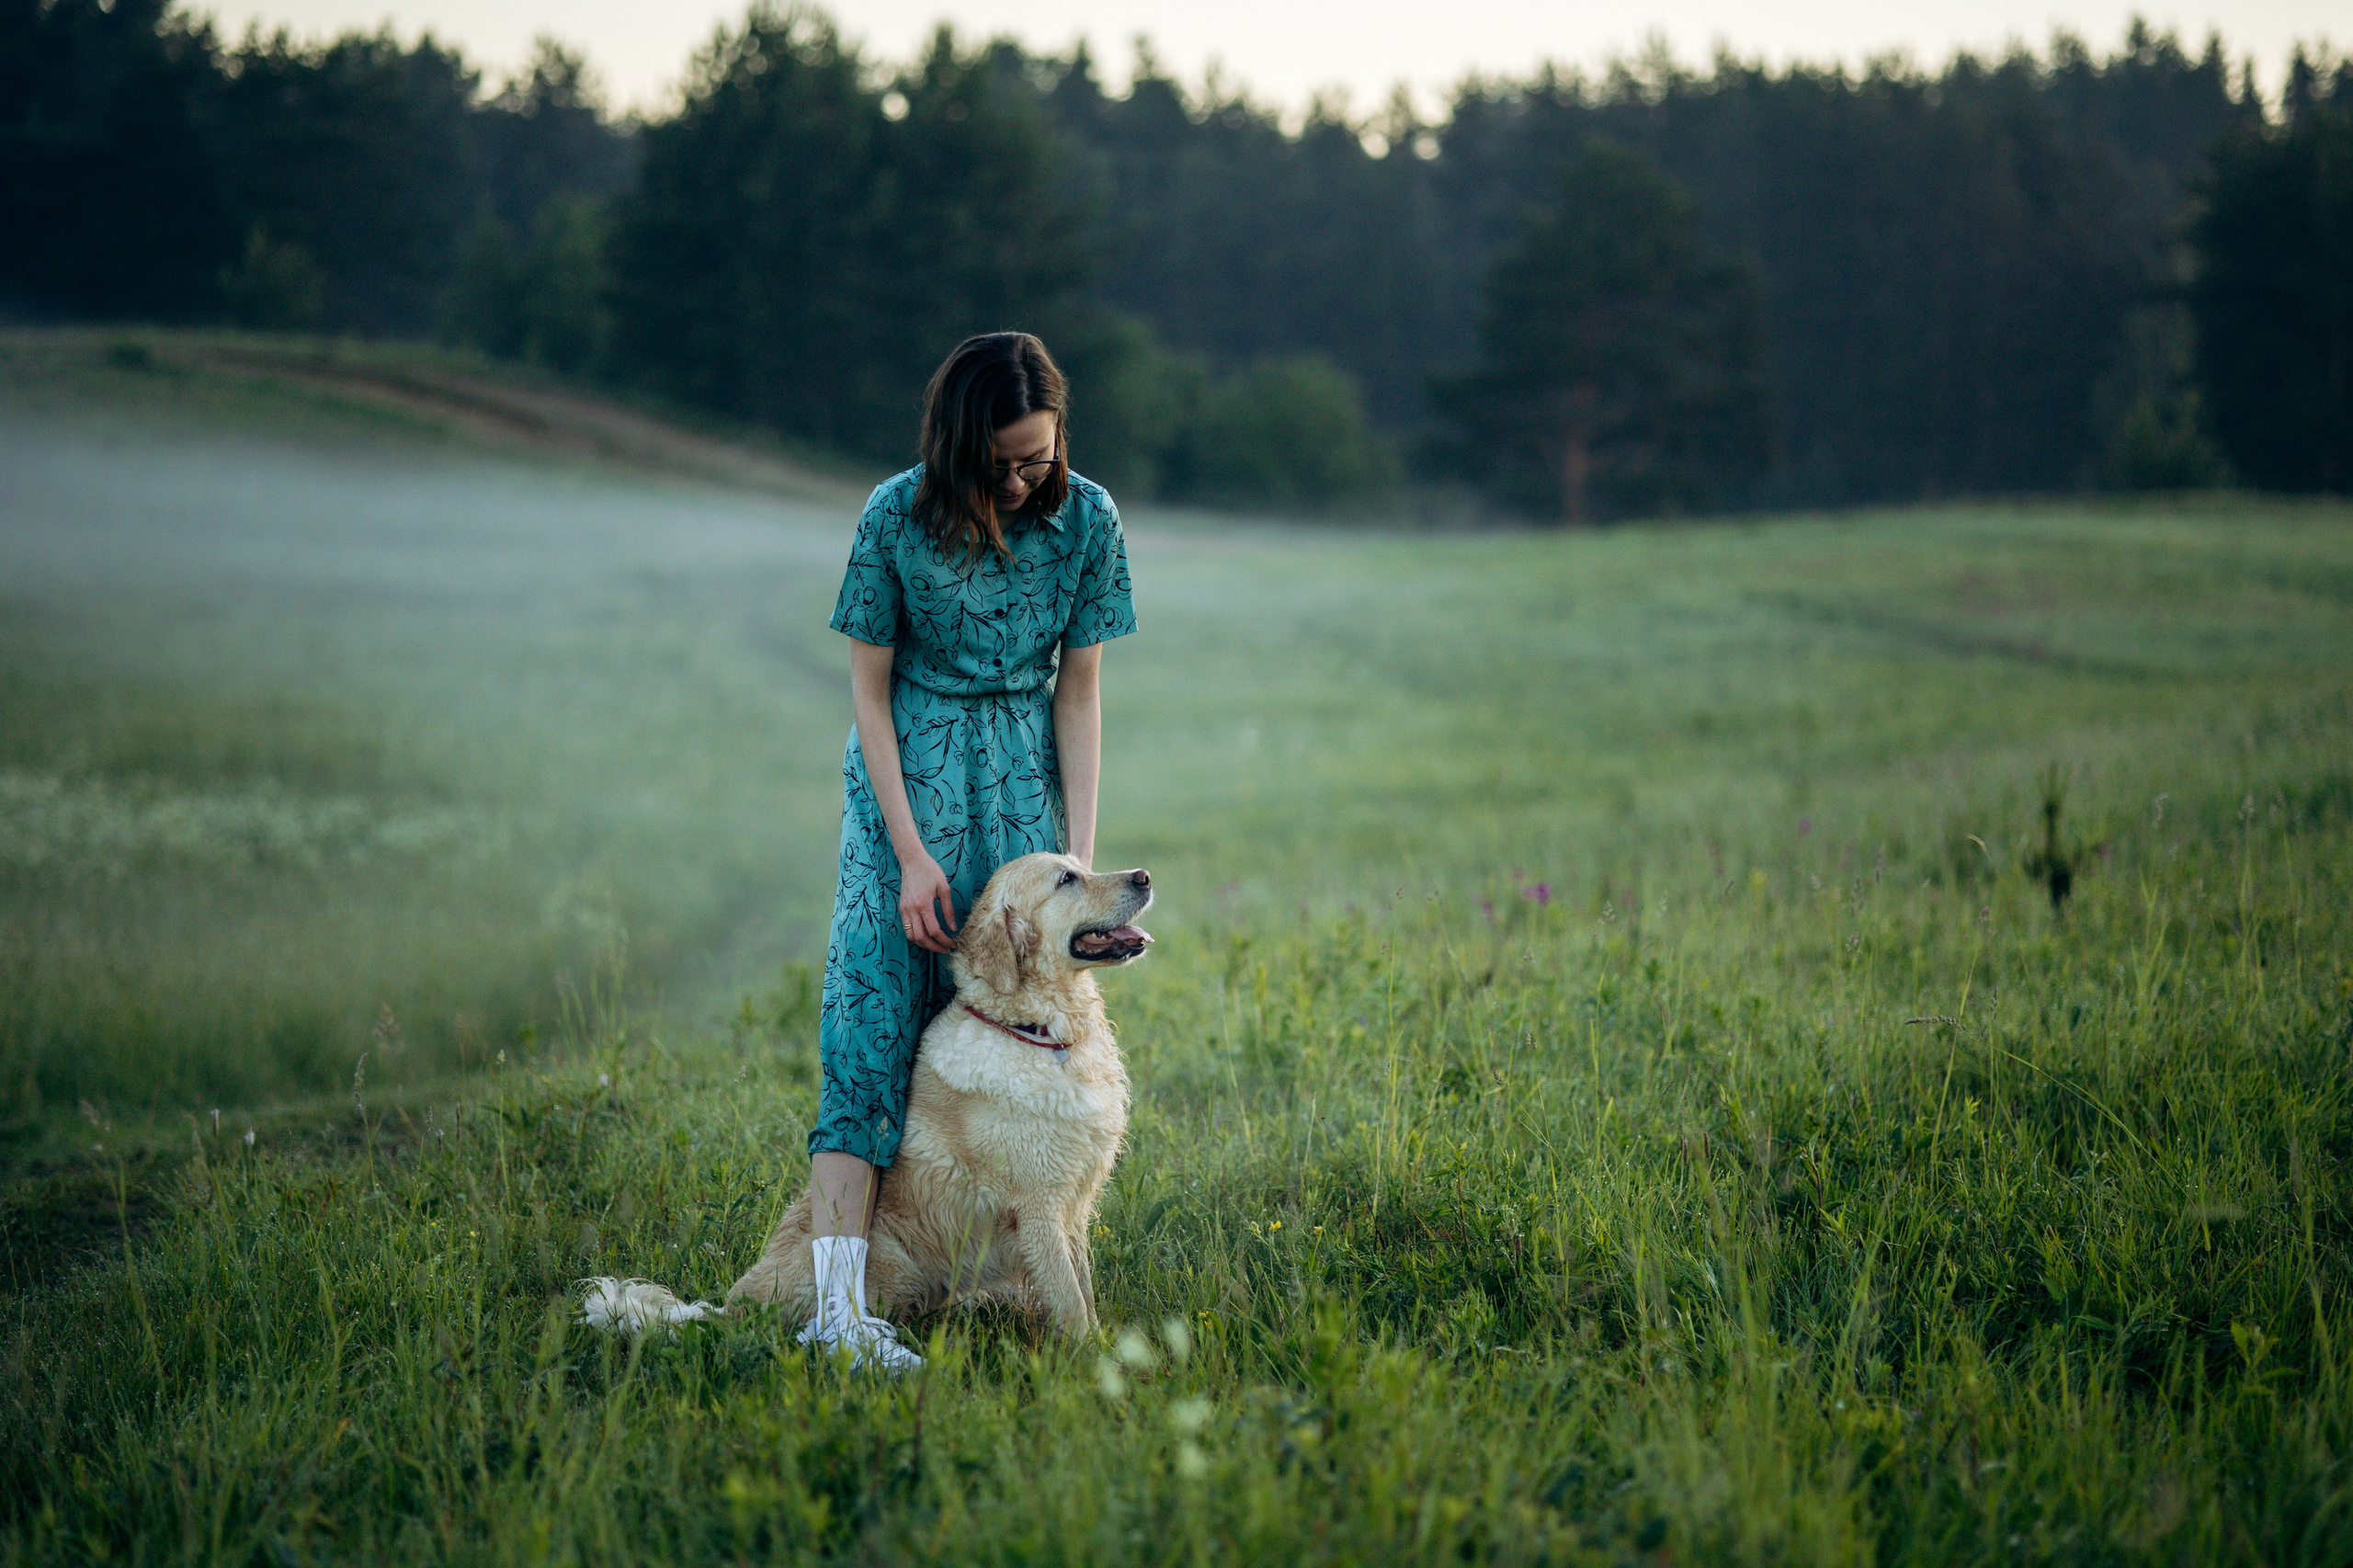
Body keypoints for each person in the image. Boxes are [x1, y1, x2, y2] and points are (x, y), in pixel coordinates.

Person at [799, 332, 1137, 1370]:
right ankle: (836, 1311)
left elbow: (1078, 692)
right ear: (958, 446)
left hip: (1023, 794)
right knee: (872, 1029)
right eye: (1003, 463)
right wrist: (909, 854)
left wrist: (1074, 866)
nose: (1025, 478)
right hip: (908, 796)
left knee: (1027, 1029)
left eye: (1041, 455)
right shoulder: (893, 514)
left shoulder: (1088, 519)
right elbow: (868, 693)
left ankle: (1012, 1273)